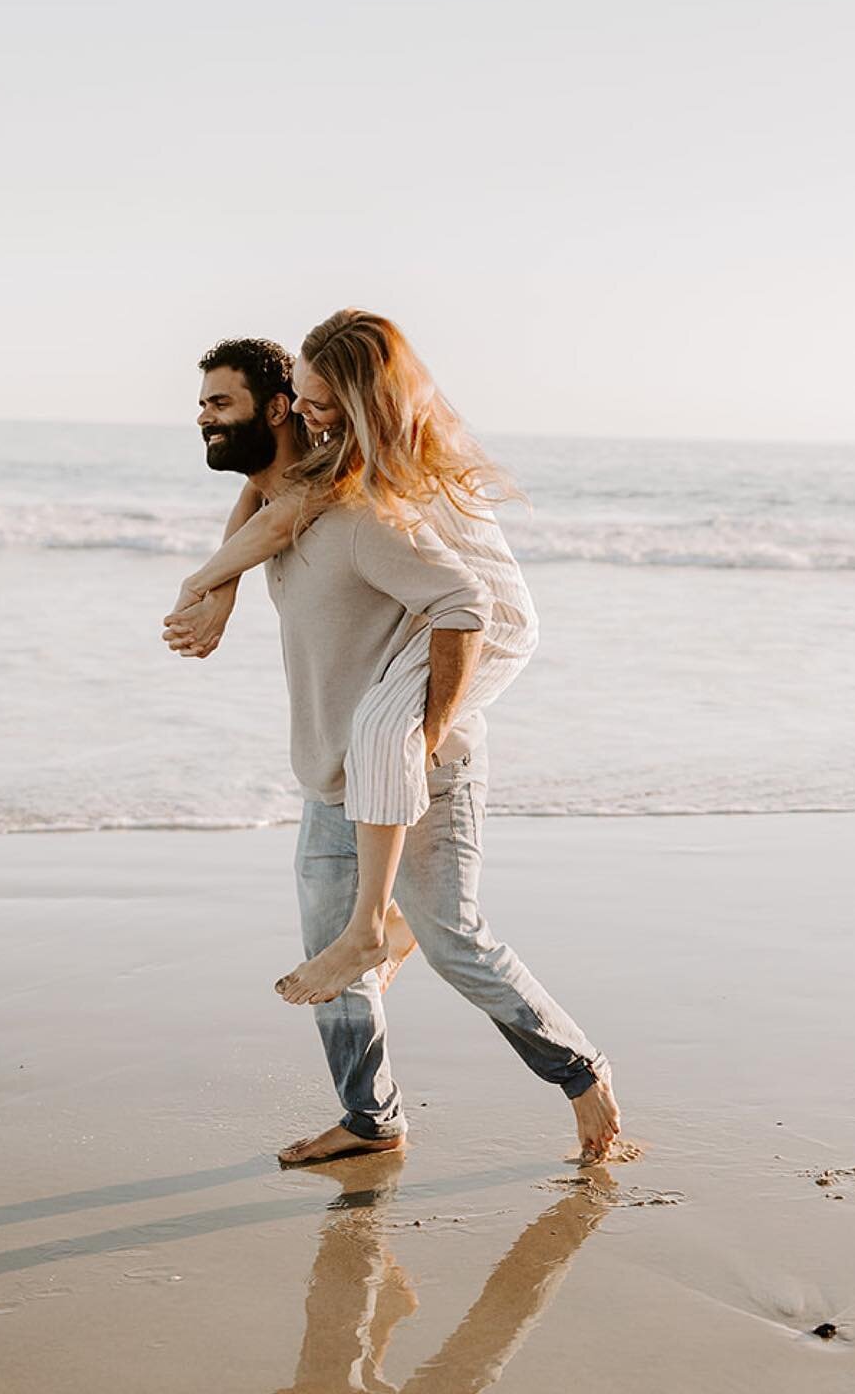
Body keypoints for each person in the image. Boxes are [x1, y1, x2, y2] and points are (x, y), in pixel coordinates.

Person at [171, 323, 620, 1165]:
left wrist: (428, 733)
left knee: (456, 942)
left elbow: (466, 606)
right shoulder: (284, 502)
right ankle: (371, 1119)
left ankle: (581, 1072)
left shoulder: (363, 508)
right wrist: (217, 587)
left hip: (422, 761)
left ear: (288, 411)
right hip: (333, 779)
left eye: (222, 404)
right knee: (331, 956)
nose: (203, 419)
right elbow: (263, 514)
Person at [167, 313, 537, 1004]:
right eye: (301, 395)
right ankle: (389, 927)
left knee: (378, 735)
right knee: (372, 730)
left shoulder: (367, 456)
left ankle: (369, 927)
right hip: (437, 614)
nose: (302, 413)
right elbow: (261, 492)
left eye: (317, 401)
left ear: (363, 404)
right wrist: (225, 587)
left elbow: (282, 515)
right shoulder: (332, 435)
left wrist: (202, 583)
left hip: (491, 621)